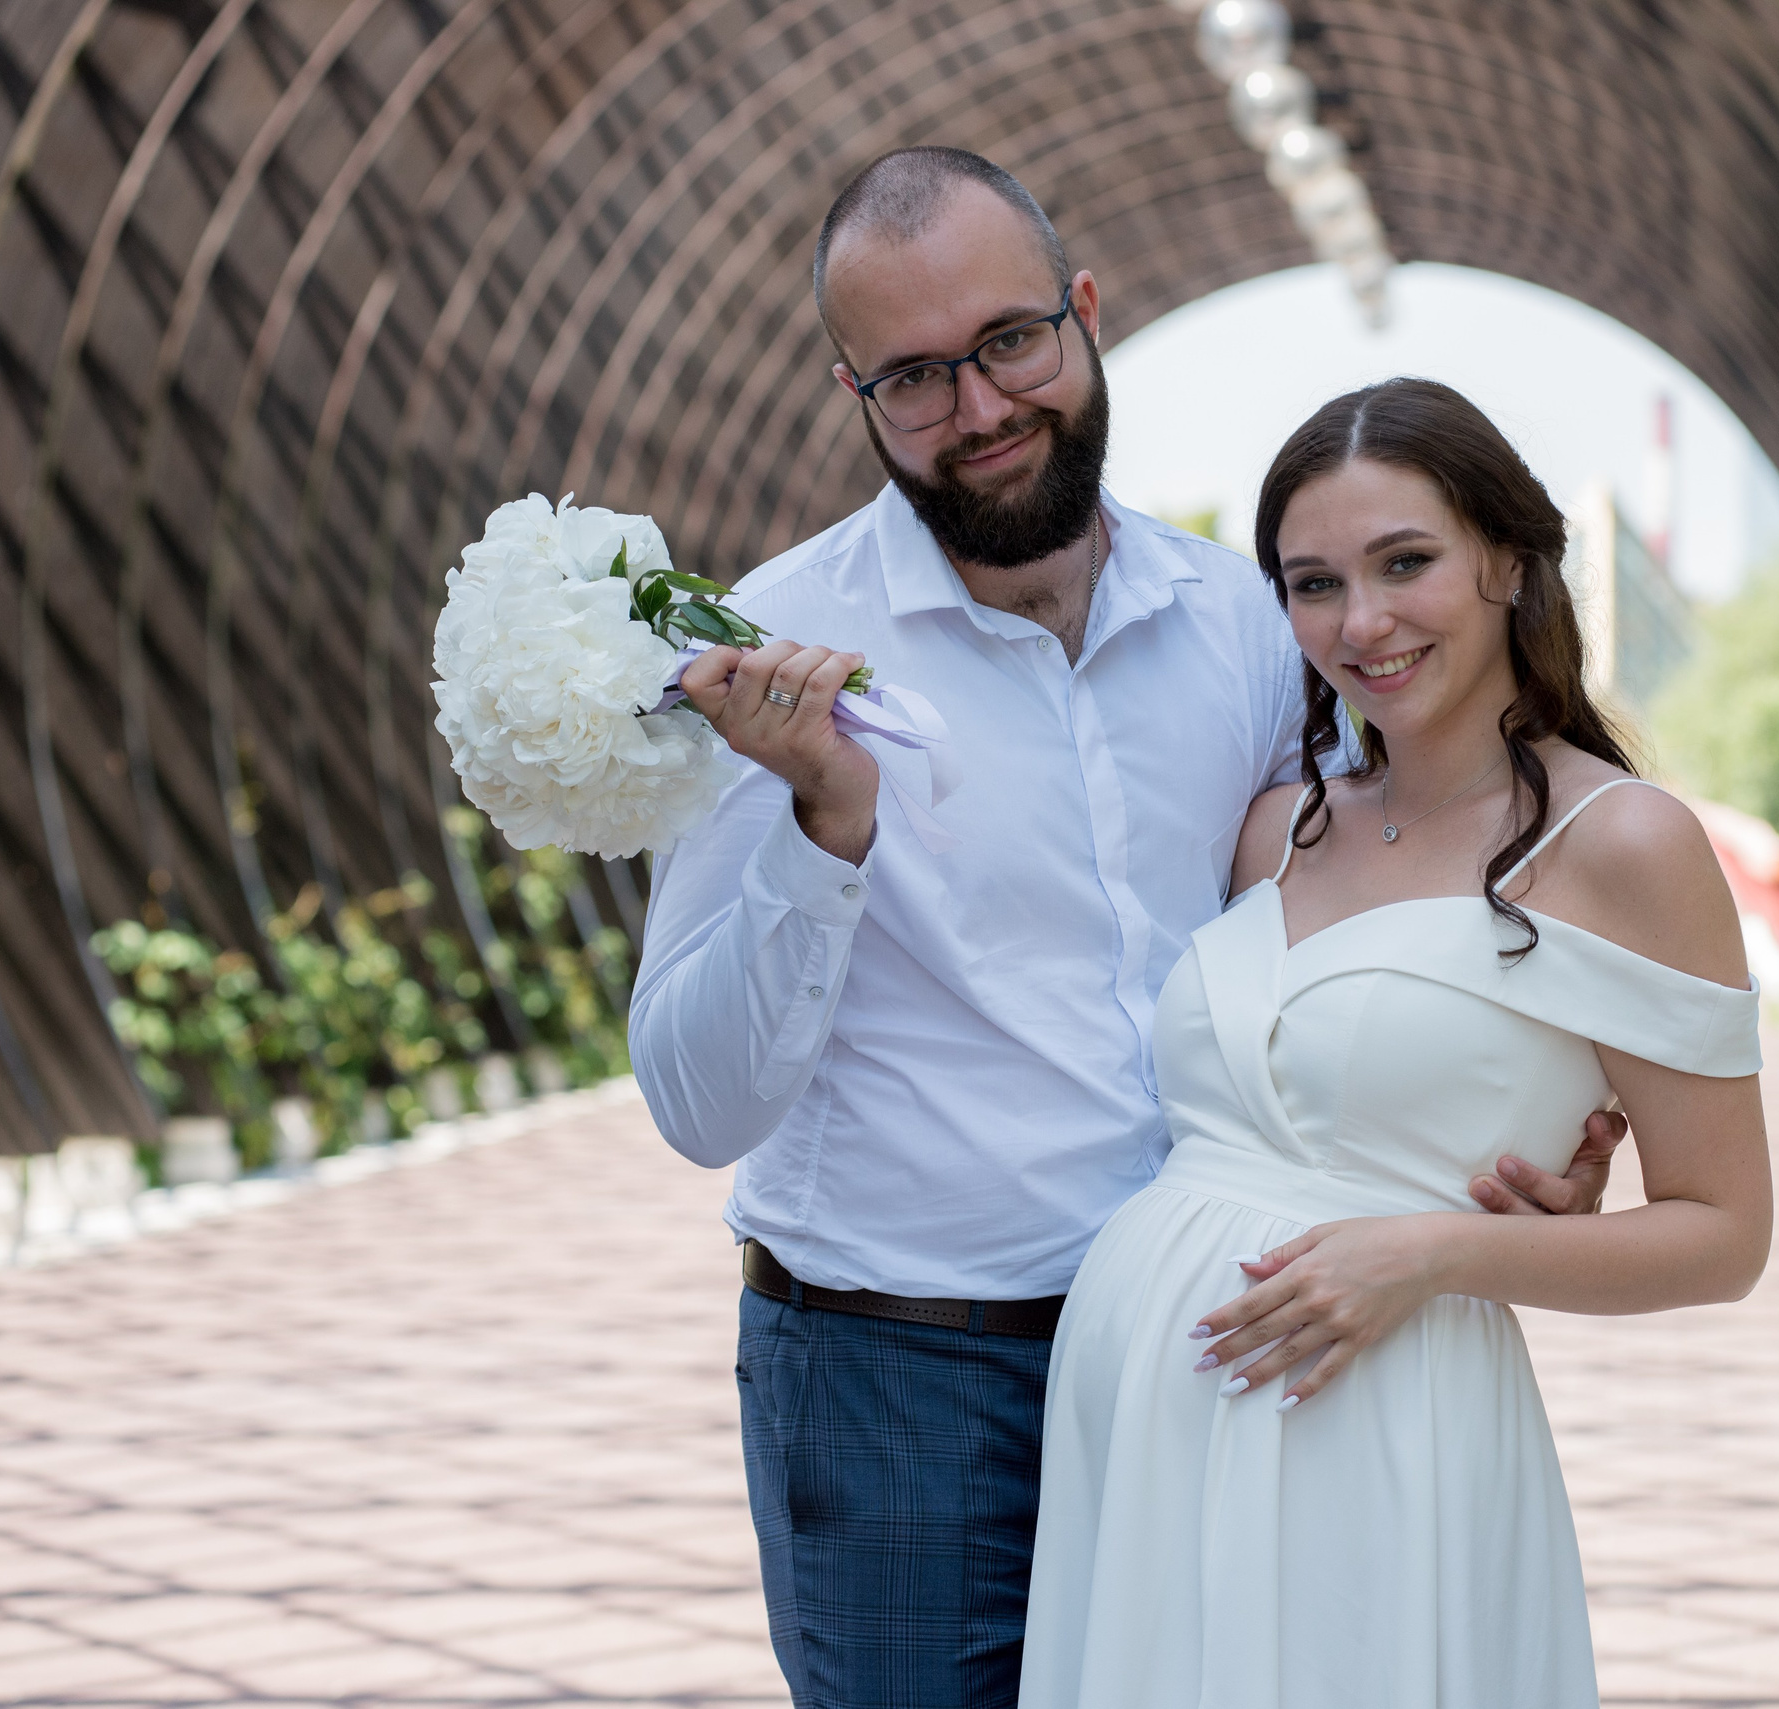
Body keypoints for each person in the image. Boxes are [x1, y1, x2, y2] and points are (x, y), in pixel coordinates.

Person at [626, 149, 1620, 1709]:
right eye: (913, 377)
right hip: (902, 1388)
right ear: (853, 392)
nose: (977, 407)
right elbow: (696, 1102)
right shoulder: (778, 658)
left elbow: (1382, 908)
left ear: (1085, 315)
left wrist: (1527, 1116)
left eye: (1011, 342)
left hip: (1212, 1358)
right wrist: (823, 827)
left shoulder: (1249, 622)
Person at [1019, 379, 1774, 1708]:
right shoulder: (1277, 828)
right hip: (1142, 1430)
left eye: (1405, 562)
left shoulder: (1625, 845)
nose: (1360, 622)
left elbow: (1726, 1231)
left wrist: (1438, 1248)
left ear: (1507, 559)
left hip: (1379, 1421)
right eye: (1314, 584)